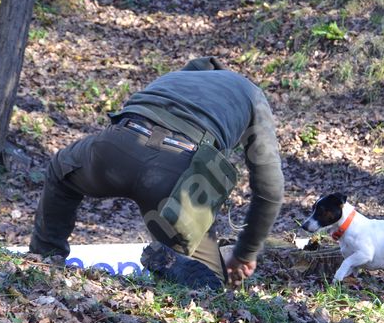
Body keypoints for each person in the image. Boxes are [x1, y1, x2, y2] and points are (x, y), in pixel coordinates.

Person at [30, 56, 284, 289]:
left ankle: (43, 262)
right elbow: (270, 191)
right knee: (208, 287)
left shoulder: (175, 78)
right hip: (178, 172)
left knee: (61, 170)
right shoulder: (251, 93)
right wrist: (245, 253)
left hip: (116, 147)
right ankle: (169, 263)